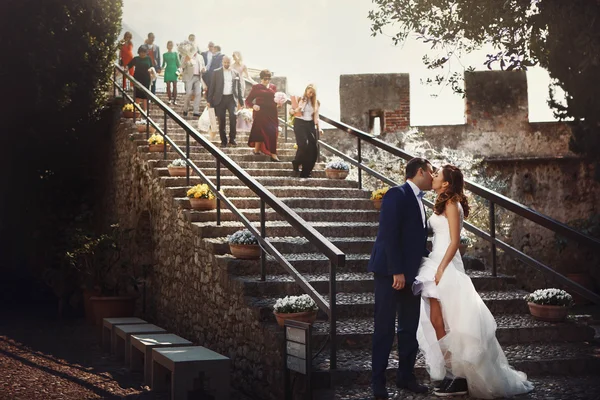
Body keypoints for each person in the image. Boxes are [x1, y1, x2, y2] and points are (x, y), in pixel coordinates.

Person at [414, 165, 534, 398]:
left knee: (455, 321)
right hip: (434, 264)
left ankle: (459, 376)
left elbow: (454, 241)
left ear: (446, 183)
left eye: (437, 175)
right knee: (436, 319)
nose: (433, 177)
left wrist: (440, 268)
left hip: (445, 265)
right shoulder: (442, 201)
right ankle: (452, 372)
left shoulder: (451, 204)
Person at [368, 157, 434, 399]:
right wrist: (396, 270)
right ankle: (378, 382)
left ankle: (406, 377)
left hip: (412, 274)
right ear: (420, 172)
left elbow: (414, 240)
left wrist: (434, 258)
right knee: (384, 327)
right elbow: (388, 234)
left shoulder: (421, 202)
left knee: (409, 328)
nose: (433, 176)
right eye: (431, 172)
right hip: (389, 272)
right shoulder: (397, 194)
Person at [207, 56, 244, 147]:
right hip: (220, 99)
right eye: (225, 62)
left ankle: (232, 139)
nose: (226, 64)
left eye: (228, 63)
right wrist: (209, 100)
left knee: (233, 117)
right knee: (221, 120)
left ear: (230, 62)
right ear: (222, 62)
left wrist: (241, 101)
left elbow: (239, 88)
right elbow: (212, 87)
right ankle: (223, 141)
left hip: (231, 99)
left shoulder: (236, 73)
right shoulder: (216, 72)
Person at [245, 70, 280, 161]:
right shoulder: (256, 87)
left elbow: (275, 99)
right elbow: (247, 101)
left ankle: (273, 154)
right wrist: (253, 106)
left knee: (273, 131)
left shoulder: (273, 87)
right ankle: (256, 150)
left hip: (272, 113)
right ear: (261, 78)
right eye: (265, 79)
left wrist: (279, 103)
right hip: (260, 112)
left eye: (269, 79)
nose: (267, 81)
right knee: (259, 131)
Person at [289, 84, 322, 178]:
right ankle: (297, 162)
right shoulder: (299, 98)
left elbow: (316, 117)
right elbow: (291, 111)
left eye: (312, 93)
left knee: (313, 149)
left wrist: (319, 128)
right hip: (299, 123)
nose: (310, 94)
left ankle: (306, 172)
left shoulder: (316, 102)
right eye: (309, 91)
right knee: (304, 144)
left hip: (310, 125)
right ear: (306, 89)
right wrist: (296, 110)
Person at [126, 46, 153, 112]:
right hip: (137, 78)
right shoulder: (136, 59)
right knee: (137, 94)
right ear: (139, 52)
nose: (142, 54)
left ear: (146, 52)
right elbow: (129, 65)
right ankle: (136, 109)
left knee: (145, 94)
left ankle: (145, 110)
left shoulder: (148, 58)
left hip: (146, 78)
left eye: (144, 52)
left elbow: (152, 67)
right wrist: (126, 69)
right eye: (141, 52)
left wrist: (151, 69)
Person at [181, 50, 206, 117]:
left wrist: (204, 69)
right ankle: (185, 109)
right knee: (188, 93)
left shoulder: (200, 57)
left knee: (198, 93)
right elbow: (182, 66)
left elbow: (203, 66)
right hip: (189, 77)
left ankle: (196, 111)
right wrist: (186, 60)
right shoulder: (186, 55)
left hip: (198, 77)